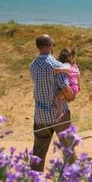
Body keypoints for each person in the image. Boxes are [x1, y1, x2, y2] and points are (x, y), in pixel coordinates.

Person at [30, 34, 75, 171]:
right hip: (58, 114)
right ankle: (73, 178)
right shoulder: (56, 65)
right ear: (50, 46)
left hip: (40, 114)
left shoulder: (33, 65)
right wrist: (71, 96)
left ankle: (33, 181)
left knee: (39, 150)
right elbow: (66, 89)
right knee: (68, 148)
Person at [53, 48, 81, 120]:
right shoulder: (75, 66)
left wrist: (59, 70)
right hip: (75, 87)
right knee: (62, 98)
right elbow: (78, 77)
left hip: (69, 86)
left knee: (57, 97)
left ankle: (59, 111)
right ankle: (61, 111)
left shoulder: (66, 64)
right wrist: (79, 86)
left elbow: (68, 70)